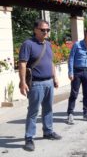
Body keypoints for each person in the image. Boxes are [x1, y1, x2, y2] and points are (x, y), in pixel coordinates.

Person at [18, 20, 61, 152]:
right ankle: (29, 138)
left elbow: (51, 62)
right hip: (36, 83)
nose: (46, 32)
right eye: (43, 30)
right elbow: (22, 64)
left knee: (48, 109)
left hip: (48, 82)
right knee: (33, 112)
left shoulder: (48, 44)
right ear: (35, 30)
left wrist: (55, 77)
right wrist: (23, 82)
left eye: (48, 30)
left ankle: (48, 131)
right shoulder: (28, 44)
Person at [66, 29, 87, 125]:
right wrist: (70, 72)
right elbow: (71, 59)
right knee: (74, 94)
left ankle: (86, 113)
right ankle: (70, 114)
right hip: (77, 72)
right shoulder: (77, 45)